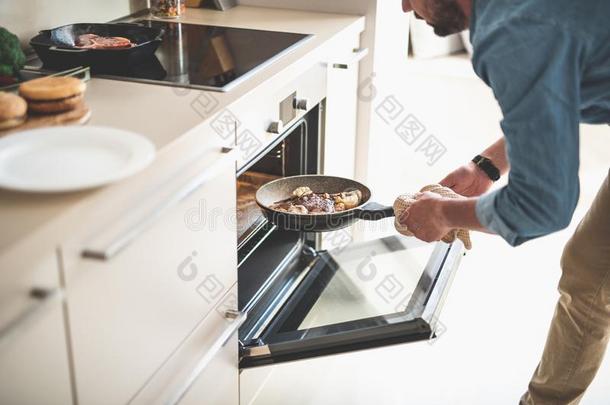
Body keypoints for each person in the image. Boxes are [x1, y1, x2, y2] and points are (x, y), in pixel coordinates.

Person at [399, 0, 610, 403]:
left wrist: (443, 214)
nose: (405, 7)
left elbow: (544, 205)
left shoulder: (509, 31)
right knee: (590, 272)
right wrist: (486, 167)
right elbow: (556, 96)